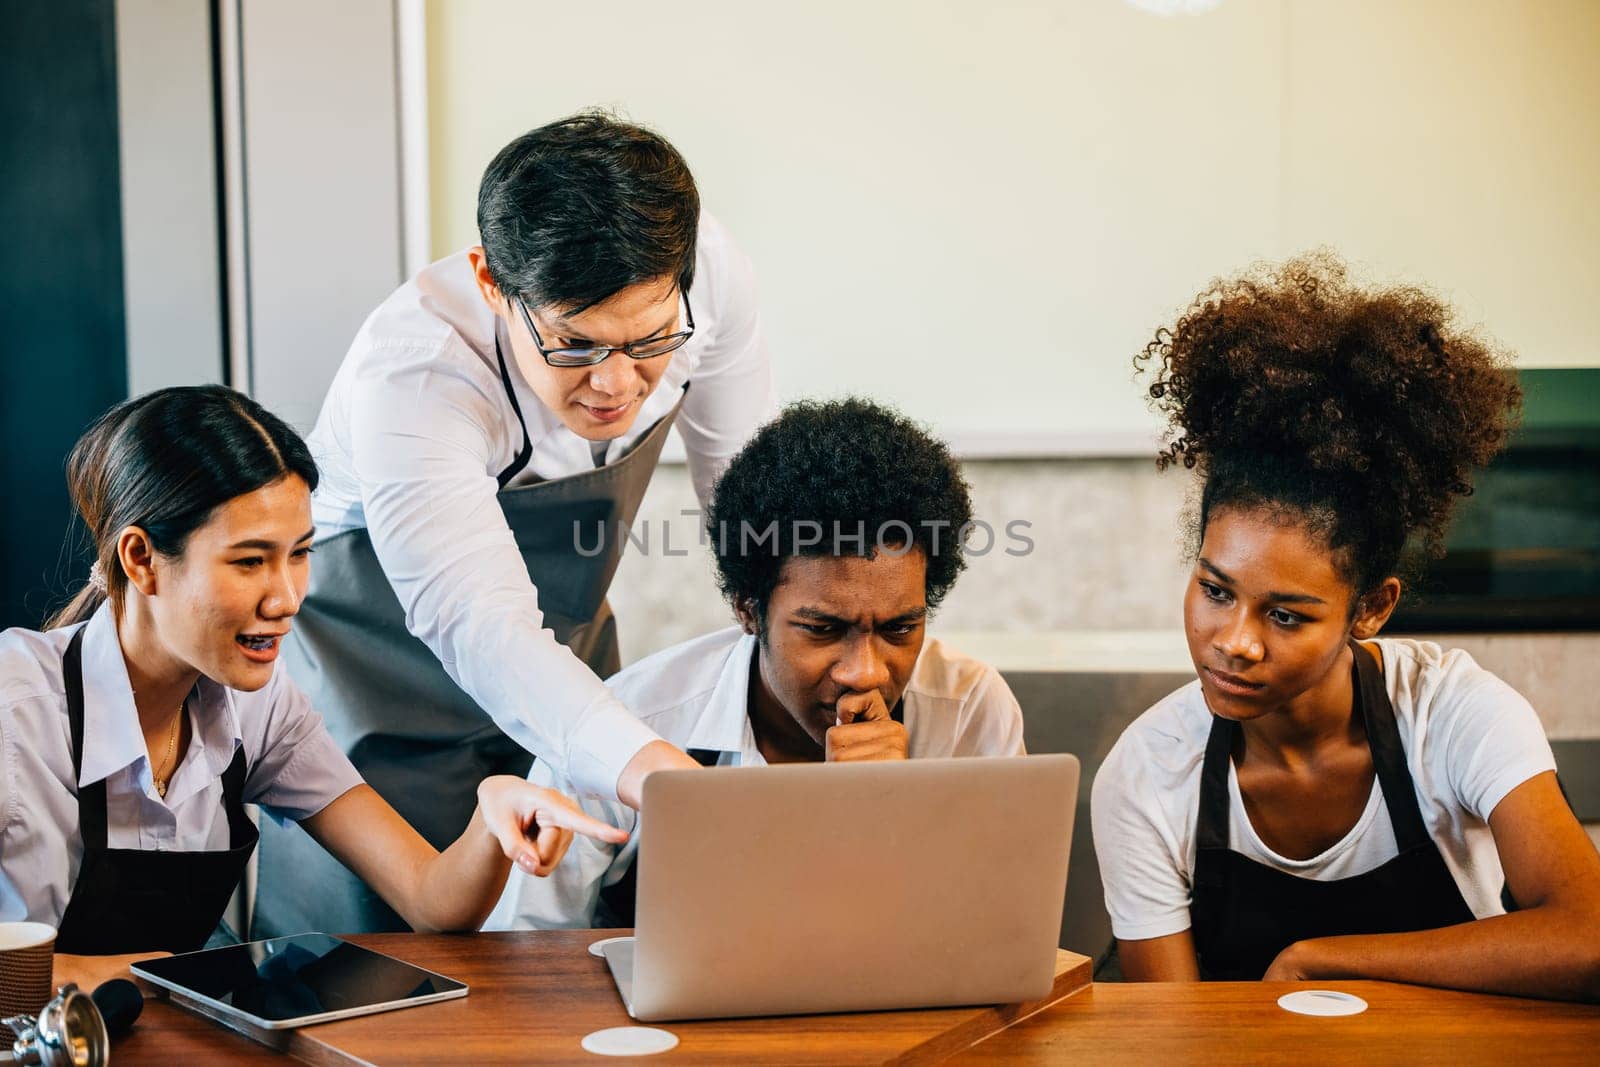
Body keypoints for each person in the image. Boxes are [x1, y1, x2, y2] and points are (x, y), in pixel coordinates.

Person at [254, 111, 776, 935]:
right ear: (492, 283)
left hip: (569, 663)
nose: (615, 382)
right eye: (574, 344)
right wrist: (666, 781)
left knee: (581, 954)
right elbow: (482, 622)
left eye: (649, 344)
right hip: (381, 693)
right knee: (378, 972)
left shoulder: (710, 274)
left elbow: (754, 518)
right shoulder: (417, 373)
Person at [1091, 254, 1600, 1000]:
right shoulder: (1144, 776)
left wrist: (1321, 959)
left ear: (1372, 608)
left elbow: (1588, 936)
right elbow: (1173, 1032)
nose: (1235, 639)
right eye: (1215, 589)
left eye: (1286, 613)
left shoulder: (1453, 712)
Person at [0, 386, 626, 992]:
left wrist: (492, 819)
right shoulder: (14, 706)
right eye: (249, 561)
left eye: (298, 554)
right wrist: (111, 974)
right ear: (140, 560)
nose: (287, 597)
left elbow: (431, 900)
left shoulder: (260, 709)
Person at [484, 398, 1026, 930]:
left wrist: (893, 816)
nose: (865, 673)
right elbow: (522, 958)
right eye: (822, 629)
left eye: (899, 629)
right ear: (748, 609)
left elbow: (1006, 935)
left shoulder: (967, 711)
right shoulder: (625, 728)